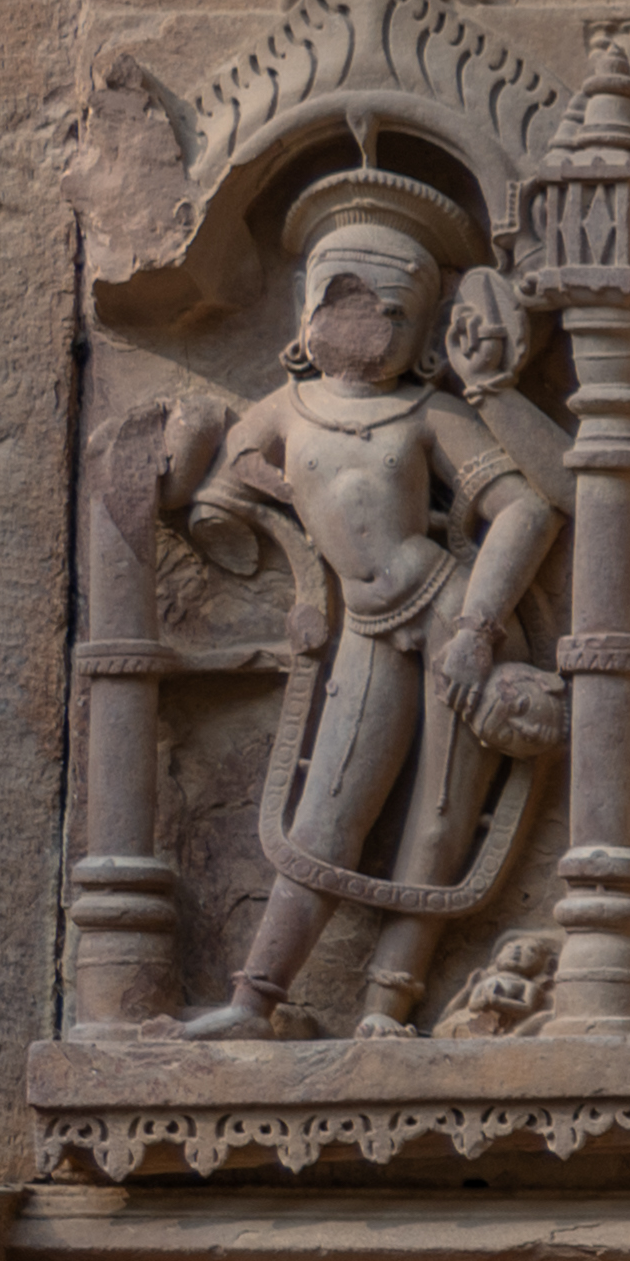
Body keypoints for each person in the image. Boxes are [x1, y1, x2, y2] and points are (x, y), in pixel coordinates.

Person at [178, 165, 565, 1039]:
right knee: (328, 813)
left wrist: (478, 629)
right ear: (304, 315)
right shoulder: (286, 408)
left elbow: (527, 509)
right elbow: (229, 480)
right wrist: (263, 532)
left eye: (390, 307)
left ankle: (387, 1007)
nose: (366, 322)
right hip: (365, 625)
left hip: (449, 605)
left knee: (437, 815)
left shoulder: (428, 412)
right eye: (342, 299)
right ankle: (254, 999)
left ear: (423, 331)